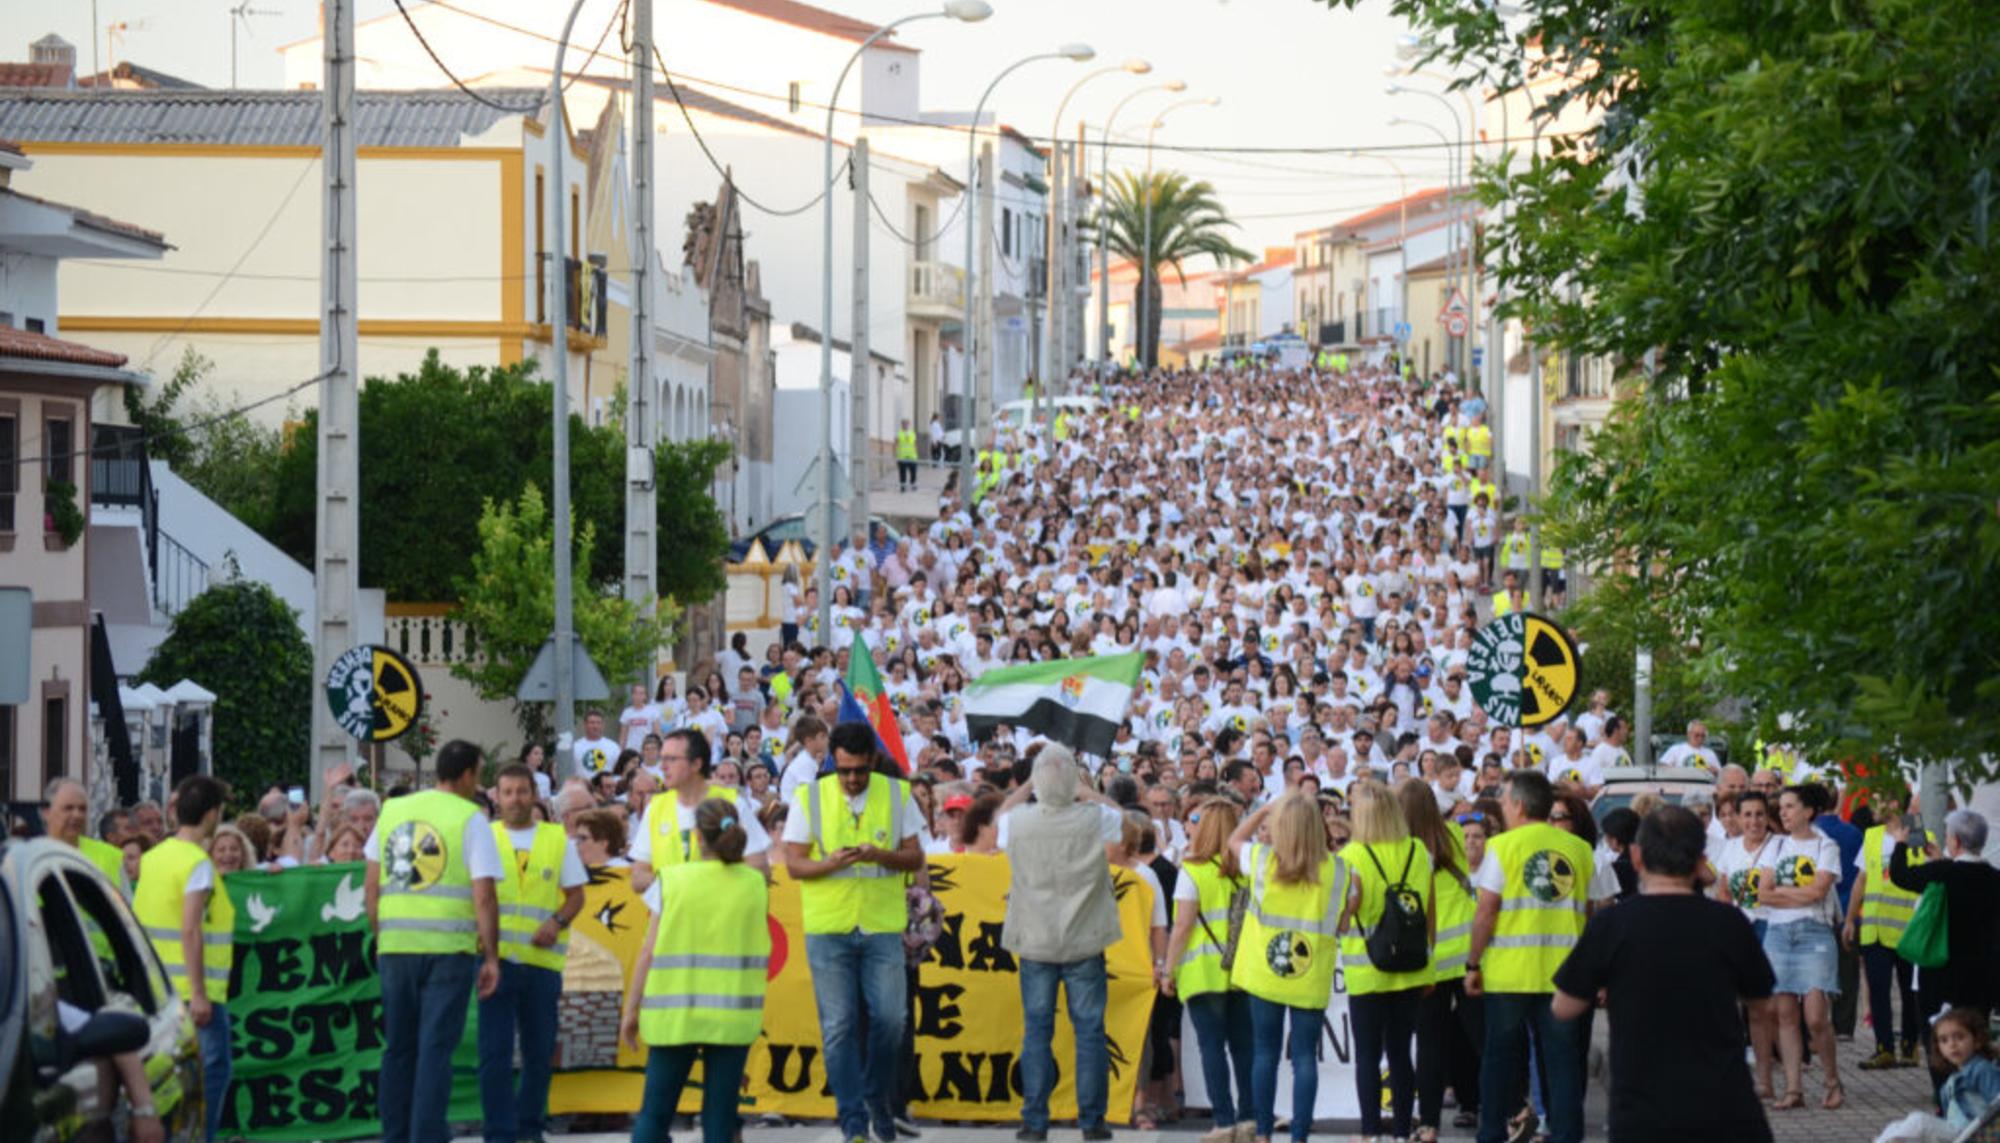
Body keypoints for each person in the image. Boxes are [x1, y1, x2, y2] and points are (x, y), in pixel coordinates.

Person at [1550, 806, 1775, 1142]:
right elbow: (1762, 1005)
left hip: (1642, 1110)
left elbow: (1563, 1007)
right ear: (1700, 861)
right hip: (1726, 1106)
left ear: (1637, 857)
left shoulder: (1611, 925)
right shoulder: (1728, 923)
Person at [783, 722, 925, 1143]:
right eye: (843, 770)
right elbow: (794, 864)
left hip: (882, 925)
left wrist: (880, 854)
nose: (851, 779)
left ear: (873, 763)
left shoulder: (899, 795)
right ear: (832, 762)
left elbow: (915, 855)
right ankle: (853, 1122)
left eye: (859, 770)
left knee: (891, 1020)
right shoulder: (809, 796)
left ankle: (875, 1096)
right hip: (829, 927)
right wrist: (832, 864)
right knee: (839, 1025)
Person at [367, 740, 504, 1143]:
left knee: (398, 1050)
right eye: (478, 774)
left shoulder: (393, 810)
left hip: (395, 947)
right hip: (448, 952)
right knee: (435, 1050)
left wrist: (381, 937)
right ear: (465, 775)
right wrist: (491, 956)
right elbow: (483, 894)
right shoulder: (469, 818)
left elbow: (371, 885)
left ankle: (394, 1135)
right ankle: (426, 1136)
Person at [622, 797, 771, 1143]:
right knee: (720, 1122)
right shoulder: (754, 884)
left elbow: (648, 951)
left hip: (675, 1016)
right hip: (732, 1017)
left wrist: (631, 1010)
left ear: (696, 838)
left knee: (654, 1118)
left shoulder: (671, 880)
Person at [1464, 769, 1598, 1143]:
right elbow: (1590, 912)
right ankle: (1567, 1135)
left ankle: (1491, 1134)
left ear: (1519, 805)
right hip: (1564, 977)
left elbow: (1486, 910)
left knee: (1499, 1062)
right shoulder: (1581, 850)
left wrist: (1473, 963)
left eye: (1505, 801)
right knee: (1563, 1064)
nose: (1503, 808)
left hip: (1510, 975)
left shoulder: (1502, 847)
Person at [998, 744, 1121, 1143]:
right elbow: (1121, 817)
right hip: (1084, 940)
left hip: (1036, 941)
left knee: (1037, 1032)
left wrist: (1032, 782)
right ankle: (1092, 1122)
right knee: (1089, 1032)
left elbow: (1000, 814)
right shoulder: (1094, 817)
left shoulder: (1018, 821)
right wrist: (1086, 791)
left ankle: (1034, 1122)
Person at [1229, 793, 1346, 1143]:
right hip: (1309, 974)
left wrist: (1262, 809)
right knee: (1304, 1058)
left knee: (1264, 1052)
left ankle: (1263, 1133)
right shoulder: (1339, 869)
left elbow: (1233, 840)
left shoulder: (1263, 861)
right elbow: (1342, 922)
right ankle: (1299, 1137)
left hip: (1265, 973)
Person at [480, 763, 587, 1143]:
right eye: (507, 792)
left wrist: (556, 922)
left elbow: (577, 896)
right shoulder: (484, 838)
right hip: (496, 963)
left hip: (542, 964)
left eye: (522, 791)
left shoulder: (557, 840)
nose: (515, 799)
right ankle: (499, 1133)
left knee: (539, 1055)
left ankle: (529, 1128)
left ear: (534, 795)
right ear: (496, 796)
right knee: (493, 1056)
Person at [133, 774, 231, 1143]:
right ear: (211, 815)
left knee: (168, 1082)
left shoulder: (155, 857)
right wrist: (201, 992)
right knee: (211, 1075)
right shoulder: (197, 863)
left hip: (157, 988)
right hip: (194, 995)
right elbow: (190, 929)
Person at [1336, 779, 1435, 1143]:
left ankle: (1370, 1132)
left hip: (1368, 968)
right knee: (1400, 1054)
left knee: (1366, 1055)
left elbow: (1347, 913)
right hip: (1412, 966)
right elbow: (1430, 913)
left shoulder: (1352, 857)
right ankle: (1402, 1130)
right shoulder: (1419, 851)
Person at [1161, 797, 1254, 1143]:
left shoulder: (1194, 870)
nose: (1191, 824)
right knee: (1244, 1048)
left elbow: (1182, 925)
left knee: (1212, 1048)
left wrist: (1168, 969)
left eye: (1196, 819)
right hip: (1242, 971)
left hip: (1203, 971)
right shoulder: (1246, 870)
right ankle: (1248, 1119)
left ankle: (1224, 1120)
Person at [1888, 809, 2000, 1078]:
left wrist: (1901, 843)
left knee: (1940, 1038)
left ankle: (1946, 1096)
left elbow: (1900, 875)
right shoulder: (1995, 878)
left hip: (1941, 973)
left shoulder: (1943, 872)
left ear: (1956, 842)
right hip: (1984, 975)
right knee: (1975, 1035)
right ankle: (1976, 1089)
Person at [1756, 783, 1844, 1110]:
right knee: (1785, 1013)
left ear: (1808, 811)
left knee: (1816, 1016)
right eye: (1782, 808)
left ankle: (1832, 1080)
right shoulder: (1775, 846)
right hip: (1778, 934)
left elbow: (1819, 892)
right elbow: (1763, 893)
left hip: (1815, 933)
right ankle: (1794, 1089)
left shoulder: (1825, 846)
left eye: (1790, 806)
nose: (1783, 813)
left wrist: (1783, 893)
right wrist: (1797, 894)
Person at [1400, 778, 1475, 1142]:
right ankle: (1492, 1106)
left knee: (1429, 1043)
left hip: (1427, 959)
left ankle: (1428, 1123)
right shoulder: (1456, 836)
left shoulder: (1402, 850)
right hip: (1465, 954)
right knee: (1478, 1036)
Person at [1842, 785, 1925, 1070]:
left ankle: (1910, 1045)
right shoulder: (1873, 835)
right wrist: (1850, 919)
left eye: (1877, 799)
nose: (1871, 806)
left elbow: (1928, 874)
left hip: (1908, 929)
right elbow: (1862, 880)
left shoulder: (1916, 831)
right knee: (1878, 990)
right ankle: (1884, 1047)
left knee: (1909, 990)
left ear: (1893, 802)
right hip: (1875, 928)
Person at [629, 728, 772, 894]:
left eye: (672, 759)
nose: (662, 767)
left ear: (696, 764)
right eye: (662, 759)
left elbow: (761, 870)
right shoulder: (656, 808)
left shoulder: (731, 803)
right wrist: (668, 882)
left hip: (721, 915)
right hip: (674, 916)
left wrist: (709, 884)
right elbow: (638, 877)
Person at [1712, 789, 1780, 1098]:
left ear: (1768, 818)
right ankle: (1751, 1078)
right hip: (1740, 929)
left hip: (1770, 926)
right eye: (1748, 815)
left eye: (1759, 815)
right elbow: (1723, 890)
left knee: (1768, 1007)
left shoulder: (1779, 846)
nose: (1753, 821)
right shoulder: (1729, 850)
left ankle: (1774, 1076)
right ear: (1738, 818)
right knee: (1742, 1007)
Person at [44, 777, 125, 889]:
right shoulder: (31, 858)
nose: (77, 815)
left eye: (82, 809)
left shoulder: (111, 856)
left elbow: (124, 904)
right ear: (46, 812)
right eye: (68, 808)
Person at [572, 709, 621, 778]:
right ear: (585, 724)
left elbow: (618, 771)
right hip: (583, 787)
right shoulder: (575, 747)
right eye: (592, 723)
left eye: (598, 723)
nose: (595, 726)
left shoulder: (613, 747)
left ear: (603, 725)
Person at [897, 417, 921, 491]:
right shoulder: (899, 433)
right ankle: (903, 486)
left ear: (909, 425)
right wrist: (895, 454)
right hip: (902, 456)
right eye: (904, 424)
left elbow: (915, 443)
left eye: (907, 424)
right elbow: (896, 443)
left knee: (913, 472)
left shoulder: (912, 433)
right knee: (902, 473)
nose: (905, 425)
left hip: (912, 456)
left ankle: (913, 484)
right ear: (902, 425)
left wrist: (917, 453)